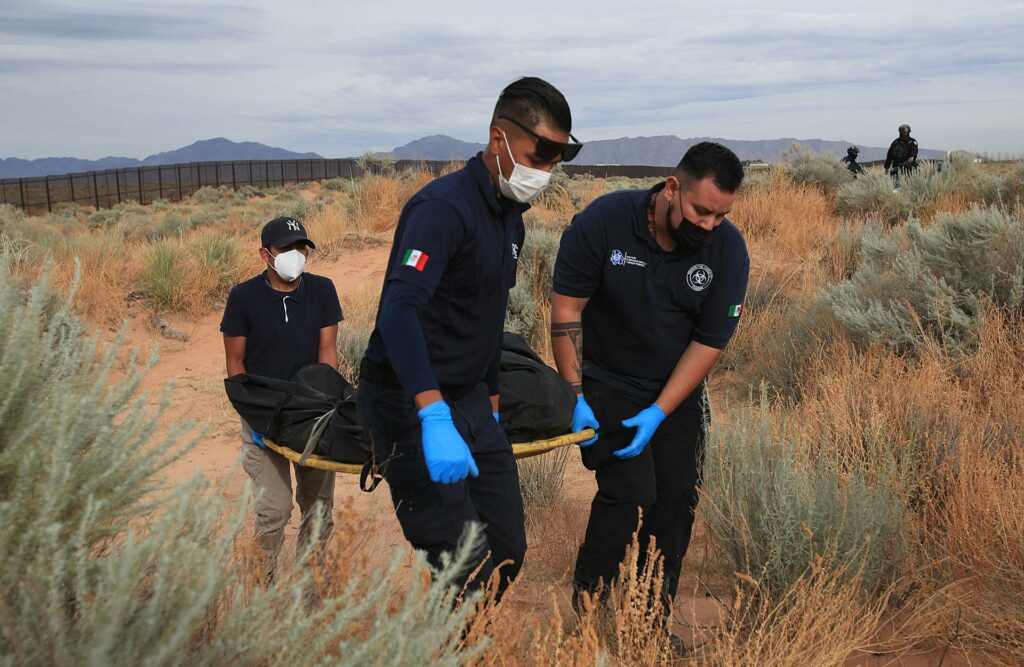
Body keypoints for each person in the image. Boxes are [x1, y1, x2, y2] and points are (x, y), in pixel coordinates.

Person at [357, 77, 580, 596]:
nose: (546, 170)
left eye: (556, 158)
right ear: (498, 139)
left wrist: (493, 406)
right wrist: (432, 413)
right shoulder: (442, 210)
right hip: (409, 402)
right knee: (466, 571)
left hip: (473, 402)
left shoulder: (510, 221)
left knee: (505, 554)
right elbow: (398, 311)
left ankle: (455, 641)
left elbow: (487, 316)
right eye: (539, 153)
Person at [550, 141, 748, 613]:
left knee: (676, 502)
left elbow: (709, 342)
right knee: (630, 489)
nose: (709, 226)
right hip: (604, 380)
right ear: (673, 188)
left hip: (673, 390)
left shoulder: (728, 249)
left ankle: (650, 620)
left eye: (720, 216)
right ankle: (591, 599)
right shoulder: (604, 221)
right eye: (701, 211)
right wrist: (575, 394)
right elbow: (566, 310)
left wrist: (661, 411)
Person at [220, 216, 343, 577]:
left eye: (302, 247)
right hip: (264, 419)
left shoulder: (322, 290)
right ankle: (262, 586)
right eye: (288, 248)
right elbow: (236, 364)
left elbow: (328, 353)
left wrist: (326, 406)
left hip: (312, 416)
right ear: (265, 255)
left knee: (318, 508)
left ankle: (310, 584)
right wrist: (255, 418)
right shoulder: (243, 298)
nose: (298, 255)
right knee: (273, 509)